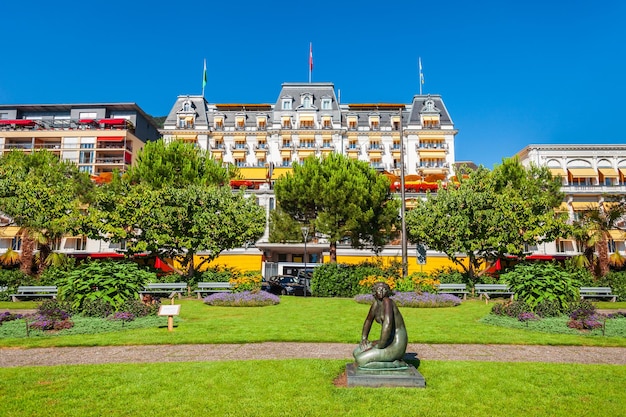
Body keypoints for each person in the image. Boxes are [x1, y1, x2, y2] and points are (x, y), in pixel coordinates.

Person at [353, 282, 408, 368]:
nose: (381, 291)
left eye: (384, 289)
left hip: (396, 344)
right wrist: (364, 338)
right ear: (375, 291)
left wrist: (380, 345)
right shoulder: (376, 304)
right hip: (387, 341)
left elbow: (388, 324)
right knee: (356, 352)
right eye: (378, 289)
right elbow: (368, 321)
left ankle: (394, 364)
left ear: (388, 292)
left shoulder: (388, 302)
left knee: (361, 361)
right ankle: (387, 360)